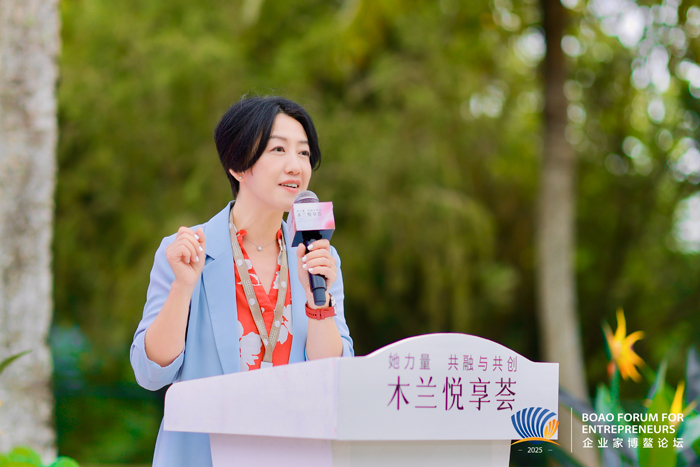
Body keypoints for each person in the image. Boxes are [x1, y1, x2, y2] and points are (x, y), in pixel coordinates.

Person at [130, 96, 354, 466]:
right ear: (237, 166)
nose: (295, 165)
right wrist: (183, 287)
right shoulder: (187, 252)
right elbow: (150, 372)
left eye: (303, 153)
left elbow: (333, 378)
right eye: (278, 149)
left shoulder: (318, 257)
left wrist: (318, 301)